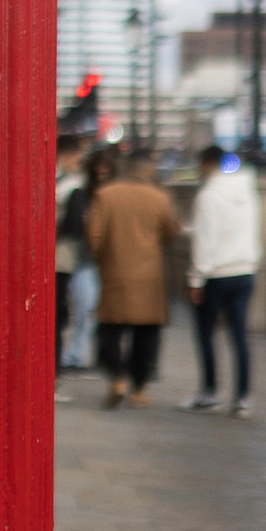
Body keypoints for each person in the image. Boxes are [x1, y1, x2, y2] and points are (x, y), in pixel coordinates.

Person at [83, 148, 178, 405]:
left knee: (110, 329)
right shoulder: (160, 198)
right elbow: (171, 233)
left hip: (115, 272)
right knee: (147, 334)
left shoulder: (105, 195)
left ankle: (117, 377)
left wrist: (103, 259)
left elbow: (95, 235)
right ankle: (139, 387)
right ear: (149, 170)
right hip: (149, 276)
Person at [185, 147, 262, 415]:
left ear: (206, 164)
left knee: (206, 333)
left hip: (216, 274)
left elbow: (204, 241)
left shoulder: (208, 196)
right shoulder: (248, 191)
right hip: (245, 270)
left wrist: (196, 279)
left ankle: (210, 391)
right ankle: (243, 397)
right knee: (240, 335)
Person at [54, 132, 94, 372]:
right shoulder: (72, 185)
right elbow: (74, 226)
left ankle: (55, 366)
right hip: (64, 256)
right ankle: (55, 367)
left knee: (58, 313)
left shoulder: (64, 182)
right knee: (58, 314)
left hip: (57, 255)